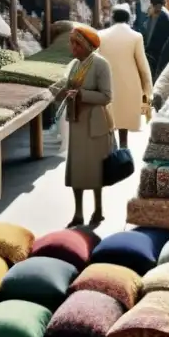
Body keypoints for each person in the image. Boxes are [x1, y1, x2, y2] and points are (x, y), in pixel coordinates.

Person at [57, 25, 113, 227]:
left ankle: (98, 210)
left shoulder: (100, 65)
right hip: (77, 122)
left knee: (96, 171)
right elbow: (69, 86)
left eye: (77, 44)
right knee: (77, 171)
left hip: (94, 124)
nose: (73, 48)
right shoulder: (74, 65)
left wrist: (82, 94)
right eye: (72, 43)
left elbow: (107, 96)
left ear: (88, 46)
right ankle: (78, 213)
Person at [98, 6, 152, 148]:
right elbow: (142, 66)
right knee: (123, 123)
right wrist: (147, 91)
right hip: (129, 84)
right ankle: (123, 151)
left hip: (106, 83)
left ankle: (110, 152)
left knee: (108, 120)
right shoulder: (136, 36)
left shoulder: (100, 35)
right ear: (129, 19)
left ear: (112, 18)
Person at [142, 0, 169, 78]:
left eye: (149, 4)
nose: (147, 7)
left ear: (155, 6)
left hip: (159, 63)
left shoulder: (165, 20)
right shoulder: (153, 16)